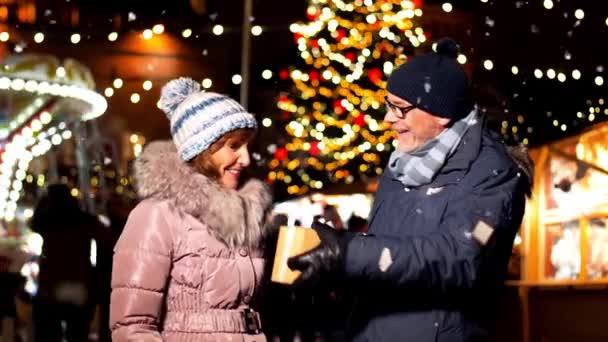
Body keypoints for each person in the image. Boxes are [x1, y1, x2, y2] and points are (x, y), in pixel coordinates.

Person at [287, 38, 534, 341]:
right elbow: (389, 259)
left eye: (399, 108)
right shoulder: (402, 164)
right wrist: (335, 275)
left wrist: (349, 253)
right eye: (388, 104)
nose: (388, 118)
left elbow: (460, 256)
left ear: (440, 114)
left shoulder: (491, 173)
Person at [110, 78, 273, 341]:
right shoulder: (157, 215)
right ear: (203, 149)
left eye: (247, 147)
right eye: (234, 146)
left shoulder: (251, 216)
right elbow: (133, 326)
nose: (246, 158)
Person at [30, 183, 109, 342]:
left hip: (51, 283)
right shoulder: (85, 220)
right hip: (79, 282)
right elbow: (106, 240)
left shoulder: (48, 221)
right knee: (77, 333)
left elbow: (34, 223)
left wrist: (42, 201)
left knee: (49, 333)